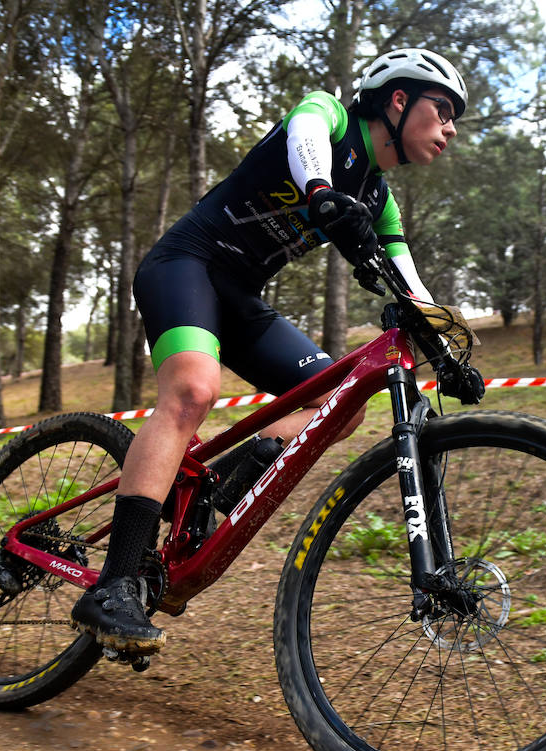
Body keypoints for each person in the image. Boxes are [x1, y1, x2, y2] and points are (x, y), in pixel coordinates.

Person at [71, 48, 468, 654]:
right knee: (194, 390)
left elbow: (412, 286)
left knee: (344, 403)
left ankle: (219, 489)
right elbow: (304, 134)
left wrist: (446, 350)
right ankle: (114, 584)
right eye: (441, 111)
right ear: (397, 100)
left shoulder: (378, 197)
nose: (450, 129)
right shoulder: (331, 118)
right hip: (188, 266)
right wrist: (318, 188)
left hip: (239, 299)